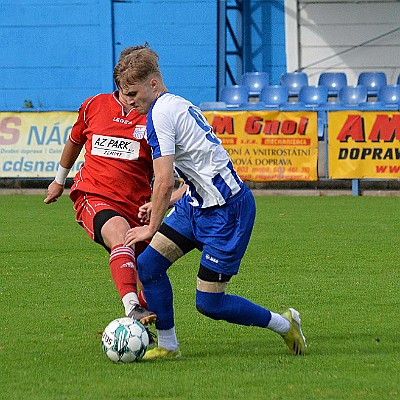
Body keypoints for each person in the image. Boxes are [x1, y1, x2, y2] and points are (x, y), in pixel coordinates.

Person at [122, 44, 308, 359]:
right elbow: (200, 170)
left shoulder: (160, 115)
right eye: (124, 94)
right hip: (195, 205)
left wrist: (150, 227)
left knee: (209, 304)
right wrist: (165, 203)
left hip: (228, 213)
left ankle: (284, 323)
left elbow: (164, 179)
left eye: (132, 92)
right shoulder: (174, 105)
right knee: (149, 266)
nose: (129, 100)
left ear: (153, 83)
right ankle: (168, 346)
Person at [44, 47, 162, 327]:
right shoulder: (94, 105)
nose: (130, 99)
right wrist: (59, 181)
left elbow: (163, 168)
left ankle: (151, 330)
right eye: (125, 91)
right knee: (120, 236)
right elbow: (74, 141)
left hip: (137, 205)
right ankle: (131, 308)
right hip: (93, 195)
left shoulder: (154, 115)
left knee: (152, 273)